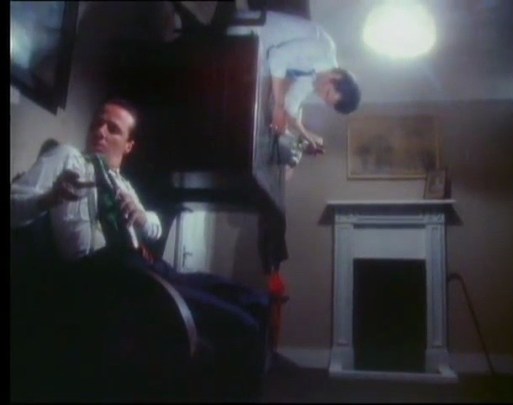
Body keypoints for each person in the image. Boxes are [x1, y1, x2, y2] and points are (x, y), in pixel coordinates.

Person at [10, 99, 267, 401]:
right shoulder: (66, 157)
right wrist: (48, 199)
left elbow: (153, 229)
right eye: (97, 123)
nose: (100, 131)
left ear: (128, 145)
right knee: (242, 325)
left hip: (146, 268)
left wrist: (144, 218)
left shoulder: (123, 185)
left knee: (257, 301)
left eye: (113, 129)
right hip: (103, 273)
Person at [258, 10, 361, 154]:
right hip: (254, 32)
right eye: (327, 93)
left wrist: (306, 134)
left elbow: (292, 101)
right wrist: (279, 106)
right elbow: (277, 56)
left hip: (259, 59)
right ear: (336, 77)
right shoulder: (324, 48)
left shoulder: (316, 78)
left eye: (326, 100)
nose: (321, 96)